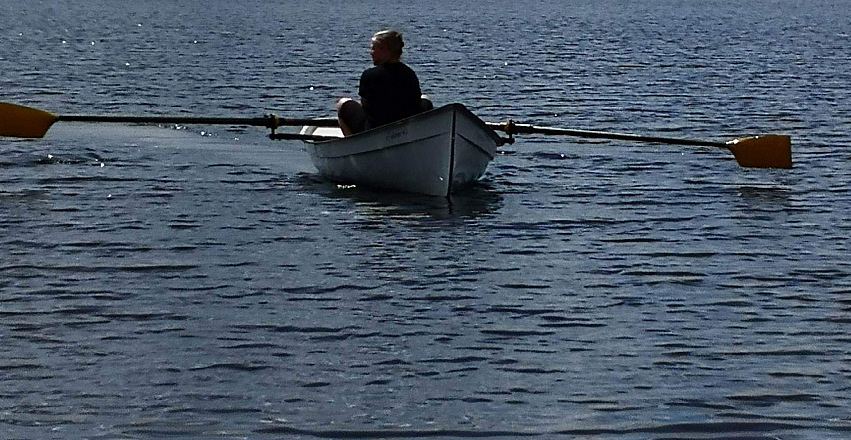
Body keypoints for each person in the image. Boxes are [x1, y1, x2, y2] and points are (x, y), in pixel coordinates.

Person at [336, 29, 433, 136]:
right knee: (425, 99)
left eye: (373, 48)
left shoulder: (370, 75)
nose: (370, 52)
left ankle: (353, 143)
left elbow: (365, 105)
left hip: (376, 129)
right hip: (406, 126)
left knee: (342, 103)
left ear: (384, 50)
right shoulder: (409, 73)